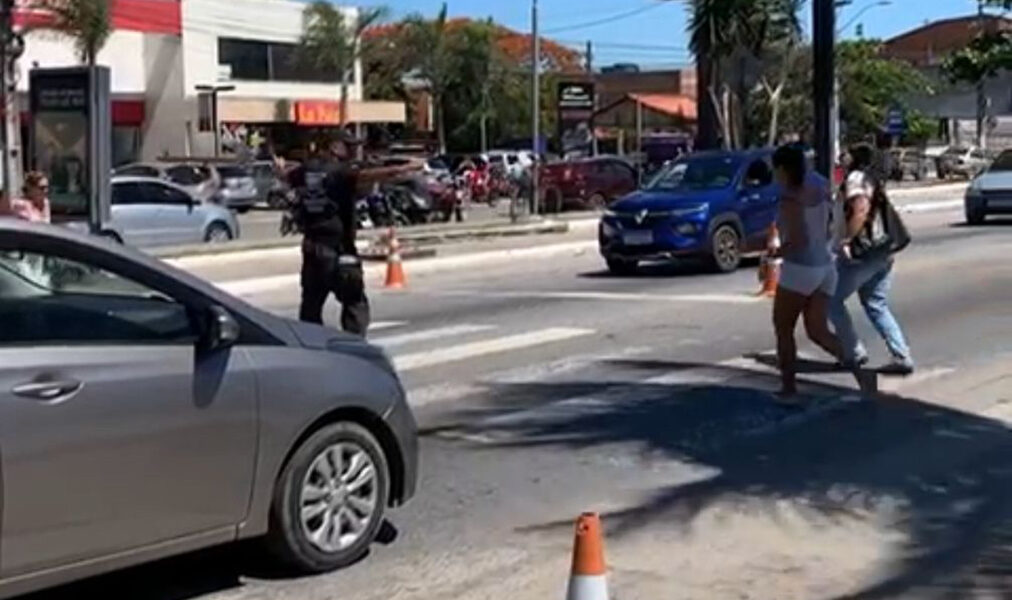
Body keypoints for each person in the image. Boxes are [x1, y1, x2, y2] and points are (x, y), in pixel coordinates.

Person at [286, 133, 420, 336]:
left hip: (312, 248)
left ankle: (311, 348)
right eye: (348, 147)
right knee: (354, 303)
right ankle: (354, 352)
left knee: (311, 306)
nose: (353, 152)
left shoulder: (307, 169)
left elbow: (287, 176)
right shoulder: (339, 172)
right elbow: (367, 176)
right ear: (334, 147)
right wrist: (403, 169)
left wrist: (280, 168)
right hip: (338, 251)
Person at [829, 144, 915, 375]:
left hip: (862, 255)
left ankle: (853, 352)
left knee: (831, 300)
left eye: (847, 154)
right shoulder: (871, 180)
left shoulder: (857, 179)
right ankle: (901, 355)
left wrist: (847, 240)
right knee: (876, 304)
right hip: (882, 253)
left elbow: (860, 210)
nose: (842, 157)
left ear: (856, 159)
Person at [770, 144, 843, 401]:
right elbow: (830, 225)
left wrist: (775, 254)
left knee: (783, 326)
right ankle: (854, 363)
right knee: (817, 329)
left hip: (801, 267)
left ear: (782, 168)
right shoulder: (821, 185)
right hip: (825, 264)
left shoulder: (791, 195)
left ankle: (788, 386)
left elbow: (798, 239)